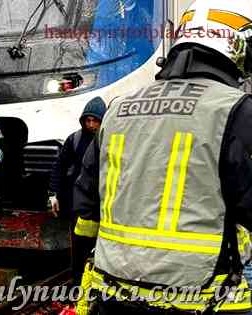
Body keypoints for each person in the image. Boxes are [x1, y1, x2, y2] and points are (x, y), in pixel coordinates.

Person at [73, 1, 252, 314]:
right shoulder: (237, 111)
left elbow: (87, 208)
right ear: (236, 47)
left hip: (114, 292)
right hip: (205, 296)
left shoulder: (117, 109)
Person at [48, 96, 107, 284]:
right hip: (78, 203)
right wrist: (53, 193)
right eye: (87, 120)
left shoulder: (109, 140)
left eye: (95, 120)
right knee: (79, 248)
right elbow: (59, 166)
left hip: (102, 202)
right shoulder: (75, 139)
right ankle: (78, 284)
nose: (91, 125)